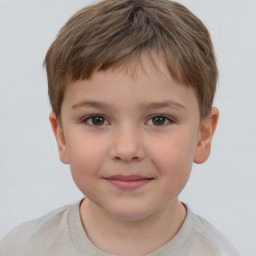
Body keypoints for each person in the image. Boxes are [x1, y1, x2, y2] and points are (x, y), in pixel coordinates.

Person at [0, 0, 239, 255]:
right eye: (97, 120)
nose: (126, 149)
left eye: (159, 119)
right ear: (62, 138)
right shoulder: (20, 248)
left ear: (203, 137)